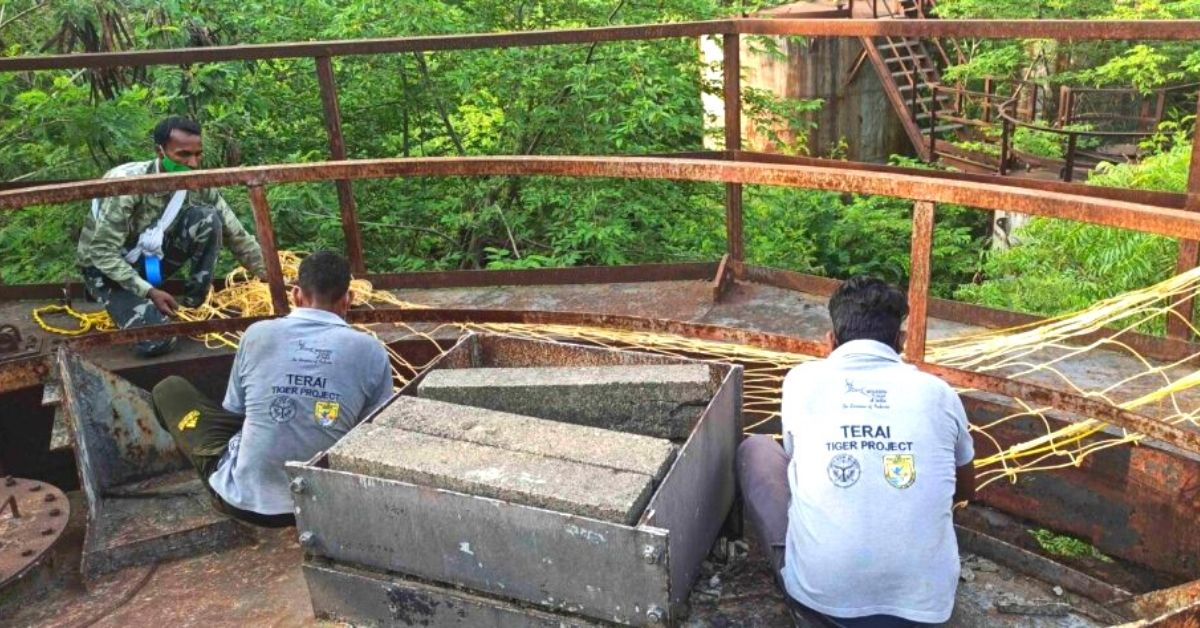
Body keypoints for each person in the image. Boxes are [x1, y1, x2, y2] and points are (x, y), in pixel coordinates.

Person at [737, 275, 975, 627]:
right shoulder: (939, 393)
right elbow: (966, 489)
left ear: (830, 341)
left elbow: (794, 462)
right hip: (927, 614)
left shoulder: (801, 381)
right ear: (902, 340)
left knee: (756, 450)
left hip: (822, 608)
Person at [150, 251, 393, 527]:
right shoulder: (371, 350)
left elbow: (235, 412)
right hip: (324, 507)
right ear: (347, 300)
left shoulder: (257, 333)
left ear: (296, 295)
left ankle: (239, 474)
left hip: (242, 501)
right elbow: (373, 433)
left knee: (169, 389)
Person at [77, 116, 267, 357]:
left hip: (149, 260)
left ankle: (193, 307)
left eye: (198, 155)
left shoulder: (196, 181)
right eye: (183, 155)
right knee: (157, 342)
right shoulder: (126, 185)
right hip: (105, 270)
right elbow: (101, 252)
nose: (193, 163)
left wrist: (272, 278)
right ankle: (132, 301)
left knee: (208, 218)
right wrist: (148, 291)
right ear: (160, 152)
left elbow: (236, 234)